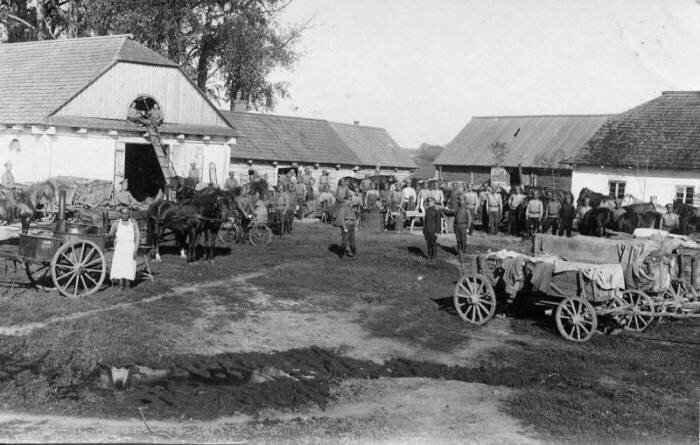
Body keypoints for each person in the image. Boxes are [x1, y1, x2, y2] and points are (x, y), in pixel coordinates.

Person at [108, 207, 140, 291]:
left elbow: (137, 237)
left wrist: (136, 249)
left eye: (126, 213)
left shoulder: (133, 223)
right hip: (120, 248)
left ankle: (128, 285)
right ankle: (121, 285)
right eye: (123, 213)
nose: (125, 215)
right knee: (120, 266)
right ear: (121, 214)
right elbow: (111, 232)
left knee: (129, 266)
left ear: (129, 214)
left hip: (130, 248)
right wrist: (108, 235)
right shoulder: (117, 223)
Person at [335, 193, 358, 259]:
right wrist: (344, 228)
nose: (350, 201)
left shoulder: (352, 208)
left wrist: (355, 226)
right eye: (348, 199)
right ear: (345, 200)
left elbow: (354, 217)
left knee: (352, 241)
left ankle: (354, 255)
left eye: (350, 200)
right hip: (346, 225)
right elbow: (341, 218)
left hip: (352, 225)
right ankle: (341, 254)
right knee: (344, 241)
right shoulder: (343, 208)